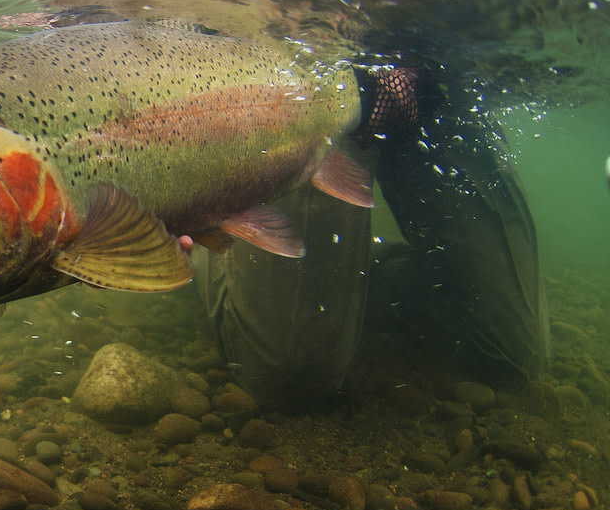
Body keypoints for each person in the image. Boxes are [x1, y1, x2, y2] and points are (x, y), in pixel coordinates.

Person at [196, 67, 550, 409]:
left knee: (512, 359)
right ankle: (199, 222)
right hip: (314, 70)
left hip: (439, 80)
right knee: (290, 380)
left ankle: (366, 278)